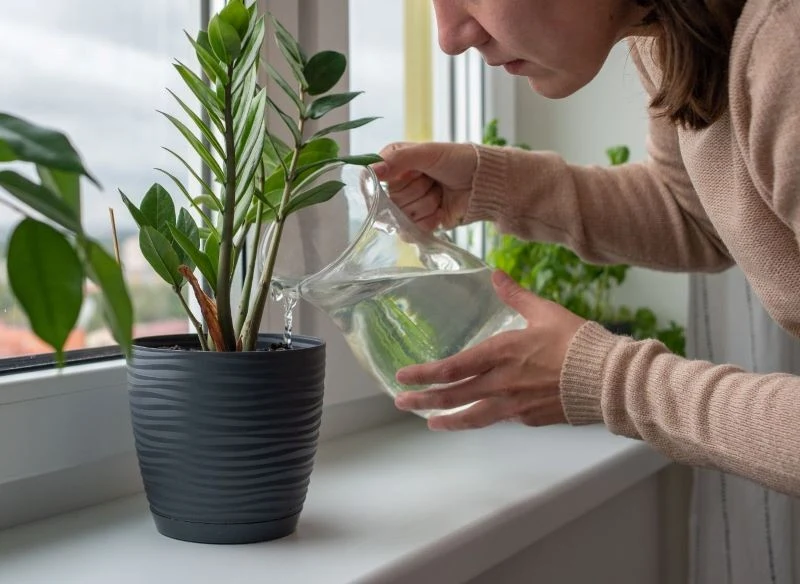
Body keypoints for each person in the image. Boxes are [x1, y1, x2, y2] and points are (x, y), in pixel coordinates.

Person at [371, 0, 800, 497]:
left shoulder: (785, 44)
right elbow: (701, 216)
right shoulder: (664, 30)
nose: (450, 37)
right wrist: (489, 185)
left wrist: (611, 381)